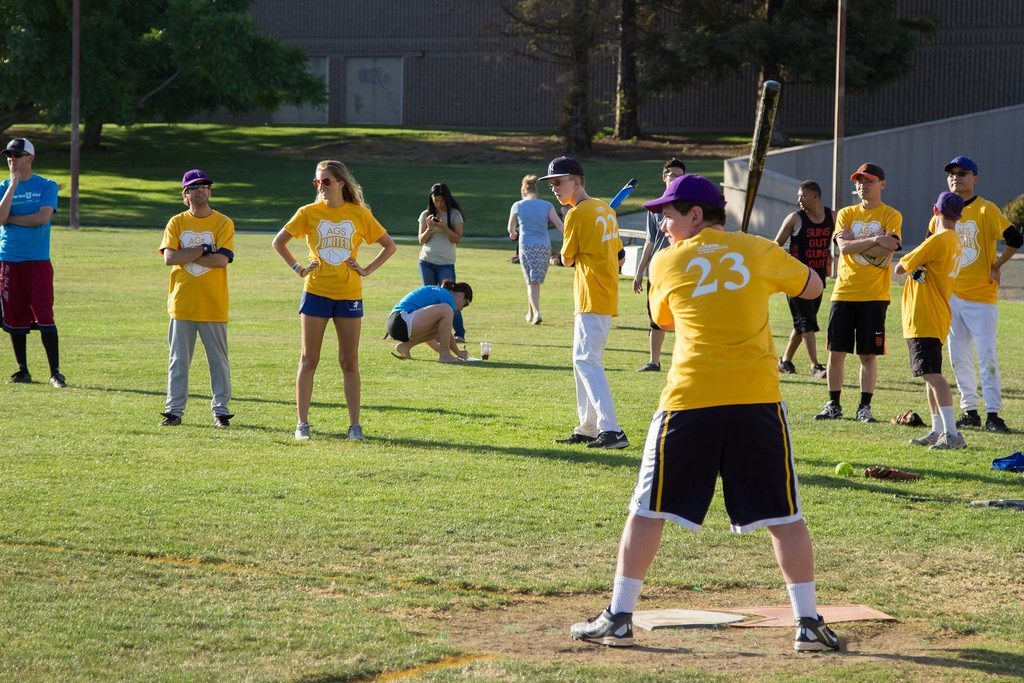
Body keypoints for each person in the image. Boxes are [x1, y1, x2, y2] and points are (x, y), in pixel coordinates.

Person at [569, 174, 838, 653]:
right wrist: (758, 266)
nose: (663, 226)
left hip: (689, 401)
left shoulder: (666, 261)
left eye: (669, 216)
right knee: (785, 515)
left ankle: (620, 616)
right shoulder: (757, 248)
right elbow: (814, 286)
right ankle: (807, 622)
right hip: (756, 401)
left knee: (647, 510)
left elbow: (664, 319)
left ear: (696, 215)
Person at [273, 160, 397, 442]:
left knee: (349, 361)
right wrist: (298, 268)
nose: (321, 186)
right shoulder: (308, 212)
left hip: (349, 295)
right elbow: (278, 242)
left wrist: (366, 270)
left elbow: (389, 245)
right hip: (316, 292)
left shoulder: (359, 214)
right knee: (309, 358)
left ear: (341, 182)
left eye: (326, 181)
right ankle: (302, 424)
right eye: (317, 182)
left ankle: (355, 426)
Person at [928, 156, 1022, 433]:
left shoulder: (985, 209)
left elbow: (1015, 239)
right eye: (951, 173)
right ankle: (970, 410)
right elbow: (928, 246)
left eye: (962, 173)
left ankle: (993, 413)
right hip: (950, 296)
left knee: (986, 355)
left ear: (975, 178)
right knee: (958, 356)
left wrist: (997, 264)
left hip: (981, 297)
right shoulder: (941, 211)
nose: (956, 177)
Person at [545, 155, 629, 450]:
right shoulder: (605, 209)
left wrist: (572, 250)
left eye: (559, 182)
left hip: (591, 295)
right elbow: (620, 256)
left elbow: (567, 259)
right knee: (581, 361)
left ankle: (612, 429)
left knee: (586, 361)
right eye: (551, 184)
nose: (554, 189)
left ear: (577, 182)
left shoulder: (576, 214)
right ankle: (589, 428)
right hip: (601, 294)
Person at [816, 163, 902, 423]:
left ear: (882, 184)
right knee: (836, 352)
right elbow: (843, 248)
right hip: (843, 292)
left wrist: (857, 242)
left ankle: (864, 407)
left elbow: (889, 249)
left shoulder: (891, 215)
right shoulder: (846, 213)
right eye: (859, 181)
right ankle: (833, 404)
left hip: (874, 295)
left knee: (868, 354)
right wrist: (876, 239)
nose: (862, 186)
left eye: (869, 181)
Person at [157, 170, 236, 427]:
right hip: (182, 303)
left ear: (210, 192)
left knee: (218, 362)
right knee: (178, 362)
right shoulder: (176, 222)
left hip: (213, 304)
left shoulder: (223, 222)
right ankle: (174, 411)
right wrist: (203, 249)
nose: (201, 189)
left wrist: (187, 254)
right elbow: (170, 258)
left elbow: (221, 260)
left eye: (205, 186)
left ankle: (221, 412)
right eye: (194, 187)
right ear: (185, 195)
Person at [896, 192, 966, 450]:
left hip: (925, 314)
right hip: (934, 313)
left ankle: (952, 434)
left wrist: (916, 265)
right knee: (929, 375)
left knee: (933, 375)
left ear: (935, 211)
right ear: (959, 216)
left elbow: (899, 267)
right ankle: (938, 430)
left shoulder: (938, 239)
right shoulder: (954, 239)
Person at [0, 138, 64, 388]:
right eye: (9, 156)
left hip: (37, 261)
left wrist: (12, 218)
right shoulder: (4, 186)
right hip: (9, 260)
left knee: (44, 313)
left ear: (30, 158)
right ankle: (22, 370)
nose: (12, 160)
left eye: (17, 155)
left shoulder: (46, 185)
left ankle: (55, 372)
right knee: (15, 314)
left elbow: (42, 218)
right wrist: (12, 186)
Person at [774, 180, 833, 379]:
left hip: (818, 280)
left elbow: (843, 237)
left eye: (802, 195)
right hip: (796, 280)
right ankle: (815, 366)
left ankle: (785, 361)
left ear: (814, 196)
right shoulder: (795, 218)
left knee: (802, 324)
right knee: (807, 322)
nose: (798, 199)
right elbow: (776, 245)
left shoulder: (832, 216)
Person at [632, 158, 686, 372]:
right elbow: (650, 241)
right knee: (656, 316)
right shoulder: (655, 208)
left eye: (680, 176)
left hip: (681, 270)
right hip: (656, 271)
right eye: (672, 175)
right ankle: (654, 362)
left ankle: (684, 361)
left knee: (684, 316)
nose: (675, 179)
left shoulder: (689, 207)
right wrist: (639, 272)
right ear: (664, 177)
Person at [507, 174, 563, 324]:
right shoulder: (547, 205)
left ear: (523, 191)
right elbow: (559, 224)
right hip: (544, 246)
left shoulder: (517, 205)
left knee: (531, 281)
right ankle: (530, 313)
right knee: (534, 281)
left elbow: (511, 229)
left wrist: (513, 234)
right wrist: (570, 237)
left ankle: (537, 313)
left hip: (527, 245)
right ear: (536, 191)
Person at [418, 183, 467, 342]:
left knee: (450, 298)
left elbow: (456, 239)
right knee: (430, 298)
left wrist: (443, 227)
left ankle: (459, 333)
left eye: (441, 200)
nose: (438, 204)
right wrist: (430, 228)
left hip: (446, 263)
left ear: (447, 198)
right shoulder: (425, 215)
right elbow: (421, 240)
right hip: (426, 262)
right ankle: (434, 334)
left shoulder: (455, 215)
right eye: (435, 200)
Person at [386, 280, 473, 363]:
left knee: (440, 326)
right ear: (461, 295)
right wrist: (454, 353)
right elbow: (447, 332)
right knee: (447, 309)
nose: (461, 309)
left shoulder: (440, 293)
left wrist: (456, 353)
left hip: (395, 324)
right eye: (465, 304)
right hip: (402, 319)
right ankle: (445, 356)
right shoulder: (447, 297)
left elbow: (442, 332)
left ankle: (405, 347)